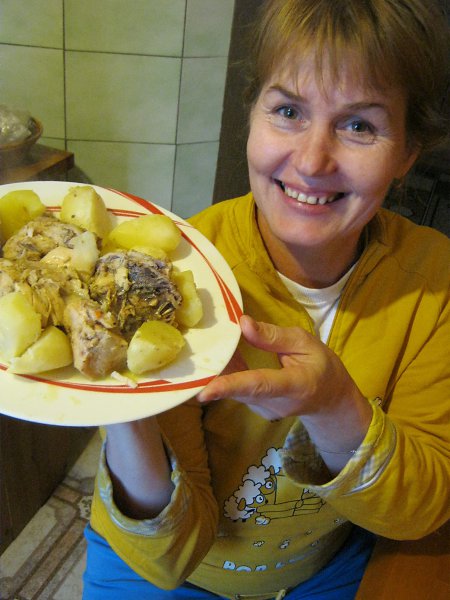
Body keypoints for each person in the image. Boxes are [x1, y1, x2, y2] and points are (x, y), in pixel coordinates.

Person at [83, 1, 450, 598]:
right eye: (288, 111)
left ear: (407, 153)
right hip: (158, 557)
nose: (311, 161)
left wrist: (333, 405)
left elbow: (418, 510)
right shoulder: (185, 274)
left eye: (359, 126)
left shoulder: (435, 280)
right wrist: (121, 403)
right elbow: (168, 555)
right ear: (252, 114)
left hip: (321, 565)